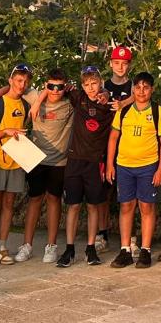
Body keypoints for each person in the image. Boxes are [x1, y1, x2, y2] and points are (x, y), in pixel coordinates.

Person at [106, 71, 161, 269]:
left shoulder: (158, 111)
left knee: (146, 207)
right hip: (124, 166)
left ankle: (145, 250)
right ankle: (125, 249)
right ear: (133, 89)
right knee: (126, 206)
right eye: (138, 87)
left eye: (146, 87)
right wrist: (110, 164)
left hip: (148, 166)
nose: (142, 91)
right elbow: (113, 138)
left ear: (152, 89)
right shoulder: (124, 111)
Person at [16, 71, 72, 264]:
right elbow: (14, 87)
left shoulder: (70, 103)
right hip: (36, 159)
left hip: (59, 162)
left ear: (65, 87)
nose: (55, 90)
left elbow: (96, 92)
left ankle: (51, 246)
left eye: (60, 87)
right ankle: (27, 245)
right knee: (34, 199)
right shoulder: (34, 96)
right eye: (51, 86)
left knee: (54, 199)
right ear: (45, 86)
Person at [60, 67, 112, 266]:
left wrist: (106, 93)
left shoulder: (109, 106)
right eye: (87, 84)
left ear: (100, 82)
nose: (91, 88)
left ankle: (91, 248)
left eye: (94, 83)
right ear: (82, 85)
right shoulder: (78, 97)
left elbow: (130, 98)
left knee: (93, 206)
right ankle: (69, 248)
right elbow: (54, 86)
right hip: (75, 159)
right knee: (73, 205)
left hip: (95, 162)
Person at [0, 63, 33, 266]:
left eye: (25, 81)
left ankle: (3, 246)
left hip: (17, 159)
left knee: (9, 204)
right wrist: (6, 132)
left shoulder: (26, 105)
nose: (22, 85)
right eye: (19, 80)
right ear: (11, 80)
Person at [100, 45, 135, 249]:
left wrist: (124, 103)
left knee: (130, 196)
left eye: (124, 63)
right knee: (103, 193)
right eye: (117, 63)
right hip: (105, 145)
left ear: (129, 65)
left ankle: (131, 237)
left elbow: (142, 96)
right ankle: (102, 233)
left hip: (128, 145)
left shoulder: (134, 87)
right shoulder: (103, 86)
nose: (120, 67)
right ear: (111, 64)